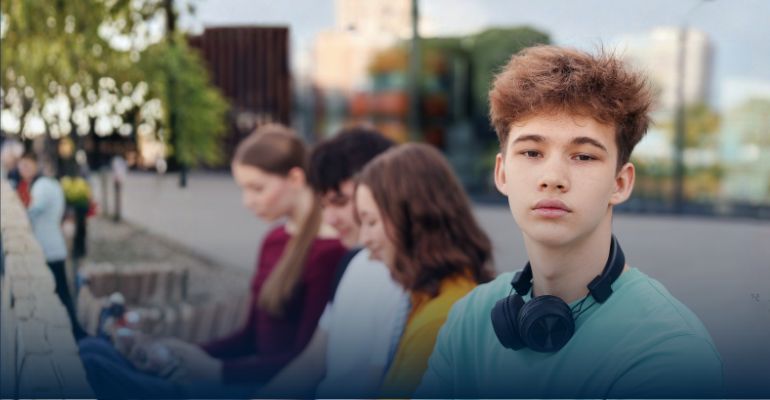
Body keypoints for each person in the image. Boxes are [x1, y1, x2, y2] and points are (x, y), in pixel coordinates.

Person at [415, 45, 724, 398]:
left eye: (583, 156)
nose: (553, 178)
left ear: (620, 183)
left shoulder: (671, 351)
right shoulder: (471, 317)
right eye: (532, 152)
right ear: (501, 174)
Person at [78, 124, 347, 398]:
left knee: (93, 366)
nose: (247, 201)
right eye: (243, 189)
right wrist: (190, 354)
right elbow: (250, 337)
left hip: (262, 388)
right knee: (93, 350)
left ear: (295, 179)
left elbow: (304, 364)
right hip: (234, 378)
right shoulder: (274, 239)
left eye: (257, 188)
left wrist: (217, 371)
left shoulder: (330, 253)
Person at [259, 126, 410, 398]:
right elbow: (312, 363)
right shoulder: (354, 263)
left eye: (340, 202)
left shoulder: (406, 280)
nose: (329, 219)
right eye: (323, 205)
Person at [355, 143, 495, 397]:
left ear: (413, 218)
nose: (363, 238)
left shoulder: (440, 320)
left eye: (371, 221)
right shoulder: (431, 299)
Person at [19, 152, 87, 340]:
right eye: (21, 166)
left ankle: (75, 334)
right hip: (54, 246)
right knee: (61, 294)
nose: (23, 170)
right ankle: (74, 332)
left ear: (36, 165)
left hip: (48, 249)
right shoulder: (49, 184)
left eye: (27, 165)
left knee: (59, 295)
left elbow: (33, 211)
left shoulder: (41, 185)